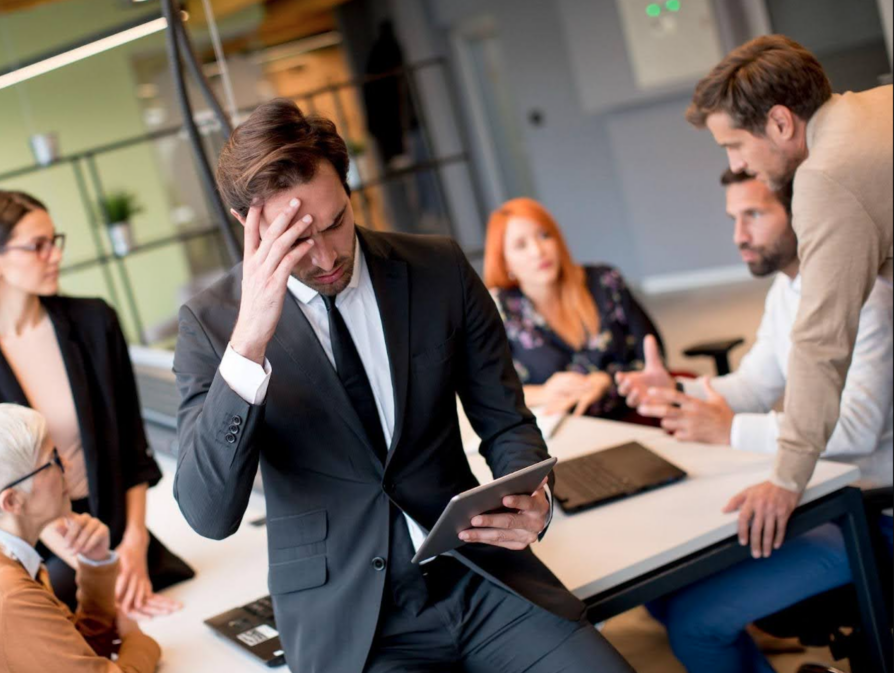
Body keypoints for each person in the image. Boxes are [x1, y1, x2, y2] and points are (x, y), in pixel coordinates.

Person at [172, 99, 634, 673]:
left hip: (480, 578)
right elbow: (207, 514)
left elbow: (507, 420)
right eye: (295, 240)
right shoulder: (212, 326)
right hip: (353, 623)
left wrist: (529, 497)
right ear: (248, 225)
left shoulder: (437, 268)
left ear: (348, 189)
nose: (325, 257)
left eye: (335, 222)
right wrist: (248, 345)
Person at [618, 170, 892, 673]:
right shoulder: (788, 291)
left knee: (694, 625)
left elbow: (856, 427)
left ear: (804, 213)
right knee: (666, 590)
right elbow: (751, 387)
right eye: (734, 218)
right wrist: (676, 392)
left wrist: (731, 431)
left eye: (755, 214)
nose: (739, 235)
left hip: (872, 515)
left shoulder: (867, 294)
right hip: (823, 498)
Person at [0, 190, 185, 616]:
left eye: (54, 241)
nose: (55, 256)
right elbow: (0, 491)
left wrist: (132, 542)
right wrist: (95, 566)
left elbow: (131, 446)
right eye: (37, 246)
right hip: (46, 547)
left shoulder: (95, 321)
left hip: (120, 529)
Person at [684, 35, 892, 560]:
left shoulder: (827, 176)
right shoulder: (874, 106)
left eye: (734, 145)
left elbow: (821, 343)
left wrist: (786, 477)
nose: (739, 163)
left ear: (780, 122)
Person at [0, 403, 161, 672]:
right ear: (13, 501)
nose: (68, 466)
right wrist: (140, 642)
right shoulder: (5, 591)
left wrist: (95, 564)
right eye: (54, 461)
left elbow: (79, 650)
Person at [484, 197, 660, 418]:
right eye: (521, 245)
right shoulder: (497, 308)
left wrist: (607, 381)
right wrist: (544, 392)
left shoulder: (605, 282)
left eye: (544, 235)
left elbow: (654, 358)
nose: (538, 251)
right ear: (505, 261)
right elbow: (486, 392)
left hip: (629, 414)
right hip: (561, 428)